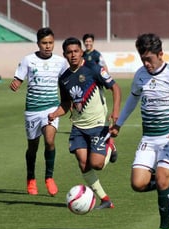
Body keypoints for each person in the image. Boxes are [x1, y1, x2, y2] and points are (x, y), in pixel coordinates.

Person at [110, 33, 169, 229]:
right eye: (142, 59)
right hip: (148, 139)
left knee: (161, 179)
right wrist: (118, 124)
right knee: (138, 184)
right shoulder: (140, 75)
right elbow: (132, 102)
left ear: (161, 54)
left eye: (149, 59)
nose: (146, 64)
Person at [48, 37, 121, 209]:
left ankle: (110, 146)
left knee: (96, 164)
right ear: (64, 55)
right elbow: (66, 104)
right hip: (78, 126)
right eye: (69, 52)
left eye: (76, 51)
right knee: (83, 163)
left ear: (81, 52)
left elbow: (115, 88)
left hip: (97, 125)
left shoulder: (93, 69)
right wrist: (55, 114)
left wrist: (116, 112)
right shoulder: (64, 78)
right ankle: (105, 199)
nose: (73, 55)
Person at [10, 27, 68, 196]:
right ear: (38, 44)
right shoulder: (28, 60)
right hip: (33, 110)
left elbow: (67, 82)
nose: (47, 46)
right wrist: (15, 84)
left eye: (50, 43)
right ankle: (31, 178)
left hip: (51, 108)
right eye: (44, 43)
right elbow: (18, 79)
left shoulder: (60, 62)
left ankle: (49, 178)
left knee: (50, 141)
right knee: (33, 147)